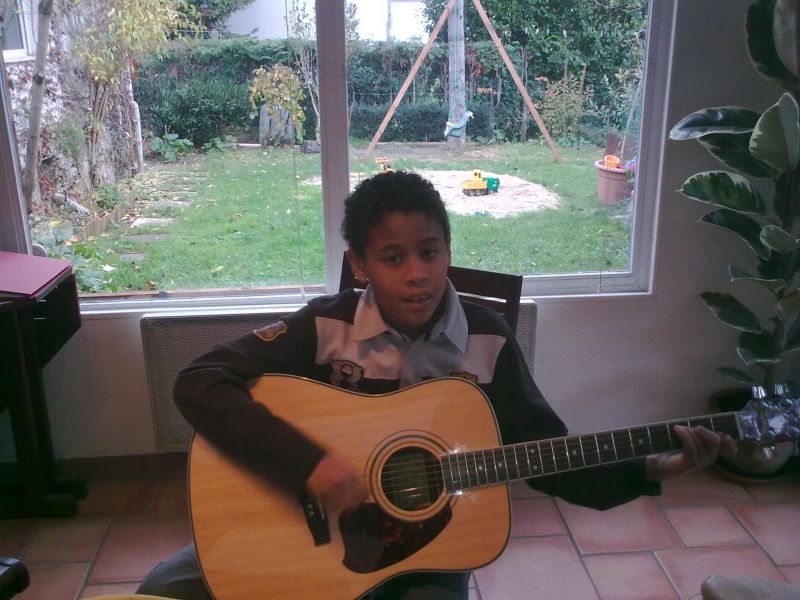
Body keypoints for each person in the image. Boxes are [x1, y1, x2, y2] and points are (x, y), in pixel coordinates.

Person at [137, 170, 736, 600]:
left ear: (448, 249)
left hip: (421, 555)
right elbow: (199, 381)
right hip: (296, 532)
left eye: (429, 251)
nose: (417, 273)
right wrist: (310, 466)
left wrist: (651, 469)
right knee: (162, 589)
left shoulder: (489, 339)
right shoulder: (324, 326)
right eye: (393, 258)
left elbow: (550, 457)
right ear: (360, 264)